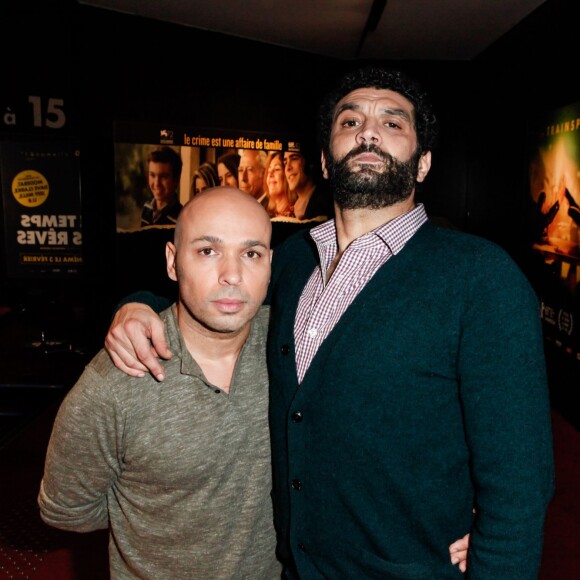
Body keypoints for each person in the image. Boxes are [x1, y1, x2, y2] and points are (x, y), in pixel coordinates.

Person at [104, 65, 554, 578]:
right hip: (296, 566)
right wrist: (136, 305)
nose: (367, 130)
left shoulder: (480, 278)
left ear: (423, 163)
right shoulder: (290, 259)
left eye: (392, 123)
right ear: (324, 158)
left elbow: (521, 482)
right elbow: (203, 295)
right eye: (349, 121)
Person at [38, 187, 282, 579]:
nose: (233, 274)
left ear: (270, 264)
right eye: (208, 251)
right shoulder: (113, 383)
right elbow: (68, 510)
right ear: (172, 262)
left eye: (251, 253)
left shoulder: (292, 347)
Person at [283, 147, 332, 221]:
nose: (287, 168)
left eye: (294, 159)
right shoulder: (292, 206)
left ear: (309, 162)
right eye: (285, 163)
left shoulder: (323, 203)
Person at [140, 147, 183, 227]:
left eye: (163, 177)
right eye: (152, 175)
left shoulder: (181, 218)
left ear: (176, 180)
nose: (157, 183)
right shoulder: (147, 208)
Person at [264, 151, 294, 217]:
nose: (270, 174)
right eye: (269, 170)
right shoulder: (265, 213)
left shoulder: (296, 215)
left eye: (277, 169)